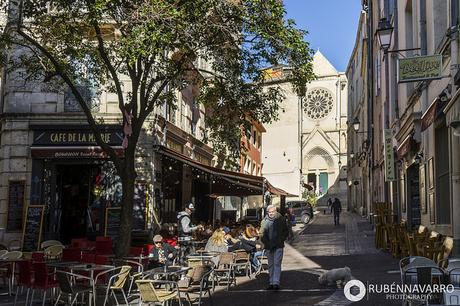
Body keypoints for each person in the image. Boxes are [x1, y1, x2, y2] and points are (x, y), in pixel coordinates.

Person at [259, 205, 288, 291]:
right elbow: (261, 234)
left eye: (273, 212)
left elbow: (286, 231)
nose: (271, 213)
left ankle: (276, 282)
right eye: (269, 212)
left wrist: (280, 240)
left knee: (277, 264)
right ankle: (271, 282)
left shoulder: (281, 219)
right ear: (267, 212)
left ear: (275, 211)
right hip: (268, 246)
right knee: (270, 265)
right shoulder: (264, 221)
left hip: (278, 246)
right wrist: (266, 242)